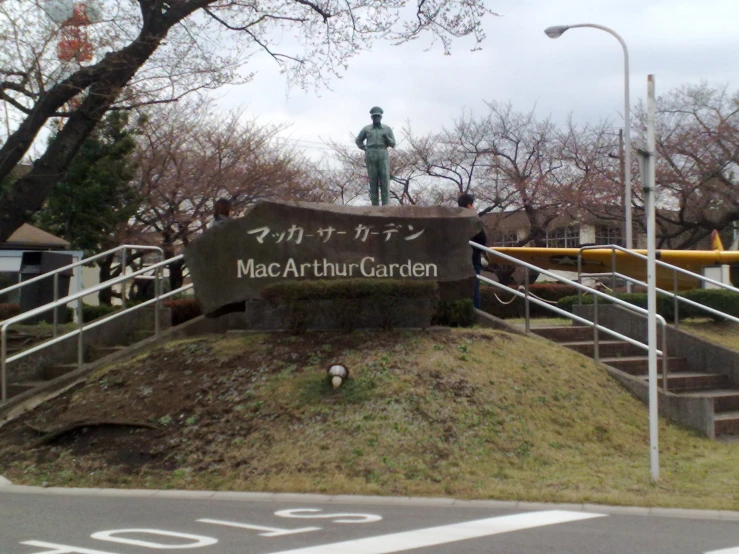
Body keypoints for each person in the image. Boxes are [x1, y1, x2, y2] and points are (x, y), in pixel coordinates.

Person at [355, 106, 396, 206]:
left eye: (378, 116)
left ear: (381, 117)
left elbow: (393, 144)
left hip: (382, 152)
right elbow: (358, 140)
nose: (376, 118)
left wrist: (387, 138)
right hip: (371, 153)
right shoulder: (367, 129)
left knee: (384, 178)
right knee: (373, 179)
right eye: (374, 116)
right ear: (371, 117)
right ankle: (374, 205)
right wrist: (365, 149)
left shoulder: (387, 129)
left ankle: (386, 204)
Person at [458, 193, 487, 310]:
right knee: (473, 290)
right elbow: (482, 241)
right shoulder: (473, 220)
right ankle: (475, 314)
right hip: (473, 260)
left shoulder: (454, 220)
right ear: (469, 205)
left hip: (457, 261)